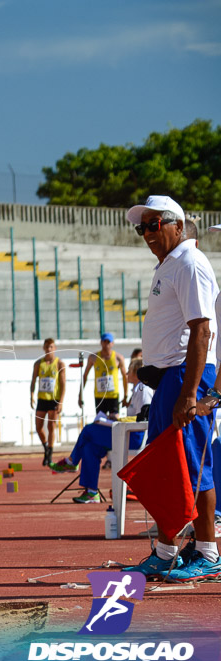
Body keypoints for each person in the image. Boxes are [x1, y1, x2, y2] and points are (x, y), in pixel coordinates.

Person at [119, 195, 219, 581]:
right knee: (169, 468)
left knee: (192, 467)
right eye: (141, 227)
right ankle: (166, 551)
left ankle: (208, 552)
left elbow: (202, 329)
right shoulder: (170, 265)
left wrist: (190, 393)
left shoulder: (190, 263)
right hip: (170, 378)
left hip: (184, 376)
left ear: (176, 225)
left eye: (153, 224)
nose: (146, 233)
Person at [49, 360, 151, 503]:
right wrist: (116, 419)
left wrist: (118, 421)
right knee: (90, 448)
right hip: (125, 432)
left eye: (129, 370)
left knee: (89, 430)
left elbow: (145, 416)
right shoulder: (137, 389)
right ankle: (91, 492)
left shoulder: (143, 389)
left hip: (133, 436)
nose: (126, 373)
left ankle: (71, 462)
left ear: (137, 373)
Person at [31, 338, 66, 466]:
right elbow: (33, 380)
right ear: (43, 348)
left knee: (51, 427)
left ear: (55, 348)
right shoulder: (38, 364)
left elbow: (63, 385)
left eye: (51, 347)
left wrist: (61, 402)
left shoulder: (59, 364)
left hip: (53, 400)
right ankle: (45, 446)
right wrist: (31, 395)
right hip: (42, 399)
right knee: (38, 427)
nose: (49, 349)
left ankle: (50, 453)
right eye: (47, 347)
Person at [80, 333, 128, 417]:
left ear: (112, 343)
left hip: (113, 395)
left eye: (108, 342)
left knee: (114, 421)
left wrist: (125, 395)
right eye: (104, 341)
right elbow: (85, 375)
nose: (106, 344)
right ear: (101, 342)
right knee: (100, 421)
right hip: (99, 396)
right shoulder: (93, 357)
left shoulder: (118, 358)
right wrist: (80, 394)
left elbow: (125, 376)